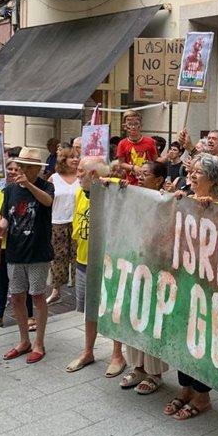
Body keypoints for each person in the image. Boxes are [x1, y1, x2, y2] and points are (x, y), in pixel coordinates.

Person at [163, 153, 218, 421]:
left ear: (212, 180)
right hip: (184, 281)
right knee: (182, 335)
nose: (191, 174)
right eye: (192, 170)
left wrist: (208, 210)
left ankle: (202, 395)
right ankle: (186, 388)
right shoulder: (185, 199)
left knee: (202, 339)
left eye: (199, 172)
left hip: (208, 287)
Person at [0, 147, 55, 364]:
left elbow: (47, 202)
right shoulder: (9, 190)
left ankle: (39, 342)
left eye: (27, 167)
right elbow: (5, 217)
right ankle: (23, 340)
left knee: (37, 296)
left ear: (37, 169)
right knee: (17, 296)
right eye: (21, 167)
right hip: (15, 252)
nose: (21, 171)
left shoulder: (46, 186)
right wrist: (1, 227)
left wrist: (28, 184)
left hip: (38, 251)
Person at [65, 158, 126, 378]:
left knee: (112, 309)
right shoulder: (80, 192)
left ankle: (117, 354)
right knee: (90, 310)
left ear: (94, 175)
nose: (77, 174)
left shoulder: (114, 191)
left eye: (81, 171)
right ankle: (88, 351)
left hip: (107, 263)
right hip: (83, 260)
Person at [119, 160, 169, 393]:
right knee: (133, 315)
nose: (139, 176)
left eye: (145, 174)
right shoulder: (132, 196)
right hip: (133, 263)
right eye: (138, 173)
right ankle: (137, 366)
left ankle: (154, 372)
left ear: (159, 179)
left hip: (156, 268)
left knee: (152, 319)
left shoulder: (166, 202)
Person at [0, 160, 34, 333]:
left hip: (22, 244)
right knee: (1, 281)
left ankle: (29, 315)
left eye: (16, 169)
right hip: (2, 244)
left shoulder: (27, 190)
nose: (12, 172)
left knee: (24, 282)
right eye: (9, 169)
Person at [46, 147, 80, 305]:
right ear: (63, 160)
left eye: (77, 157)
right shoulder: (54, 178)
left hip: (77, 222)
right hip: (57, 222)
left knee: (77, 257)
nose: (75, 159)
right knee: (58, 257)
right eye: (71, 157)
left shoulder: (82, 177)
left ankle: (79, 290)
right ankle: (56, 291)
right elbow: (47, 201)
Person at [116, 109, 158, 184]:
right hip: (130, 183)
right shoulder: (122, 144)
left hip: (148, 184)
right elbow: (121, 163)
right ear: (125, 126)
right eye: (130, 124)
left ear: (141, 125)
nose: (133, 127)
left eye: (136, 124)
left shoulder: (150, 142)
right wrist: (133, 167)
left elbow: (155, 161)